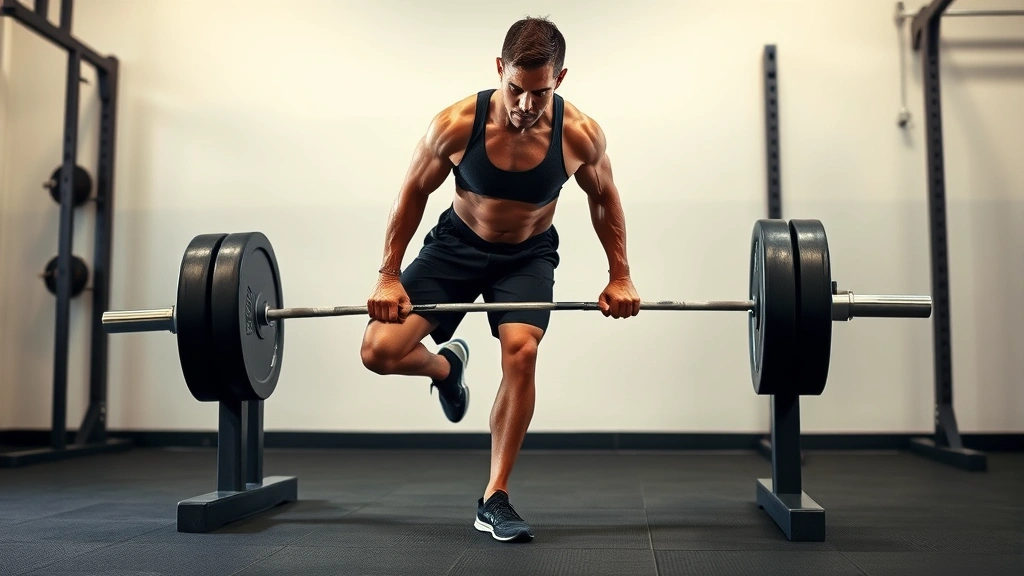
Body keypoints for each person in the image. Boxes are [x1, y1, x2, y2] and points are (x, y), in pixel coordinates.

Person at [359, 16, 640, 543]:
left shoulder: (579, 133)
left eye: (540, 92)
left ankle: (495, 496)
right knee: (379, 351)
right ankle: (445, 369)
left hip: (527, 256)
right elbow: (412, 194)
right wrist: (388, 276)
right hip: (456, 248)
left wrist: (620, 275)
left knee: (521, 352)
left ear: (560, 78)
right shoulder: (456, 124)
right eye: (516, 88)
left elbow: (604, 200)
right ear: (499, 70)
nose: (526, 105)